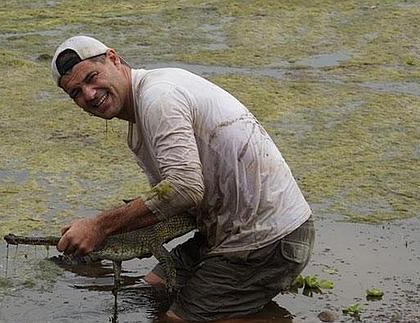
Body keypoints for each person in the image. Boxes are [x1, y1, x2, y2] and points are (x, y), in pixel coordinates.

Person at [50, 35, 315, 322]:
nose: (89, 94)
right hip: (224, 233)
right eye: (76, 92)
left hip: (267, 240)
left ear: (113, 59)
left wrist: (99, 225)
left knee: (173, 321)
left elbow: (184, 189)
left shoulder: (158, 98)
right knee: (152, 289)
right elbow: (182, 203)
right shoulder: (142, 115)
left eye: (92, 77)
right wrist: (111, 232)